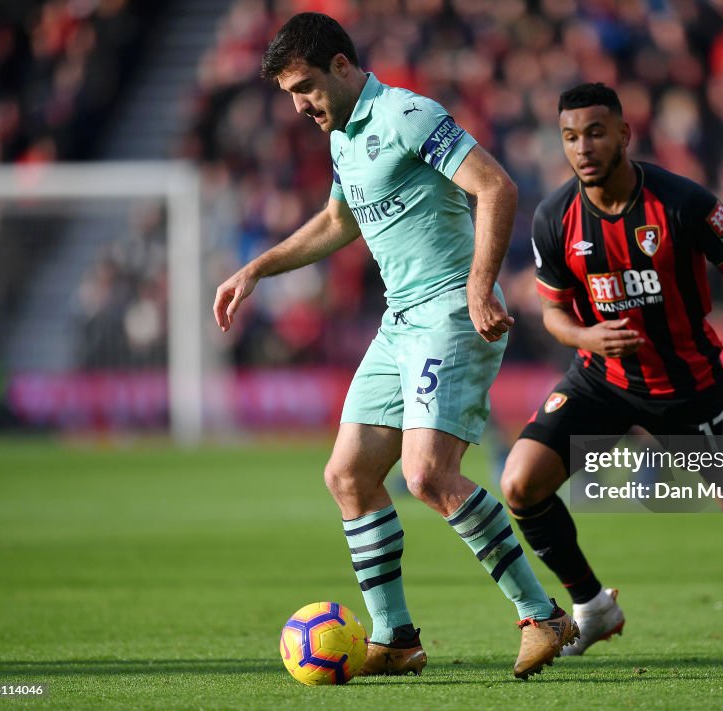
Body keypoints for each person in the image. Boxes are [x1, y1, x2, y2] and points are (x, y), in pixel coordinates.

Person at [212, 13, 577, 680]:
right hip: (400, 323)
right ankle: (395, 636)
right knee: (347, 475)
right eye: (290, 95)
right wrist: (256, 268)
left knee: (428, 475)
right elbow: (335, 222)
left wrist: (479, 284)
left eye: (305, 88)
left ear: (343, 67)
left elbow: (495, 186)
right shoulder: (344, 137)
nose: (299, 107)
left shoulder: (408, 114)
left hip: (449, 313)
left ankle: (543, 614)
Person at [500, 83, 723, 656]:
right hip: (601, 380)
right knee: (520, 484)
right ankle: (593, 608)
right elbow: (552, 312)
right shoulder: (555, 217)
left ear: (625, 134)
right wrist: (587, 336)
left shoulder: (682, 202)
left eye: (596, 132)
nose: (583, 148)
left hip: (687, 389)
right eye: (571, 137)